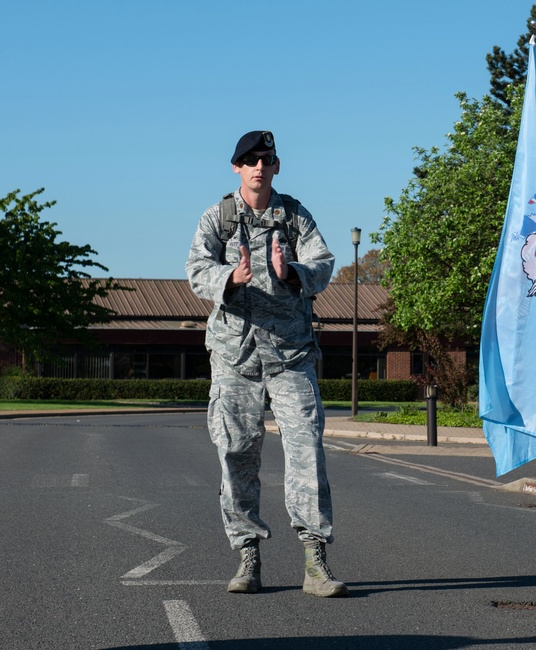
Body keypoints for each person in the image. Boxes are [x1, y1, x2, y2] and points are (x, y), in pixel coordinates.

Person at [186, 130, 347, 598]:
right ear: (236, 167)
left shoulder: (294, 216)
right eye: (250, 160)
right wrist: (228, 278)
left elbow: (324, 262)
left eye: (267, 159)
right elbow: (196, 270)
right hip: (235, 355)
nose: (259, 166)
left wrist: (290, 271)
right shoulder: (217, 218)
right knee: (236, 453)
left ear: (276, 166)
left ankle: (315, 560)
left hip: (291, 354)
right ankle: (247, 555)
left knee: (306, 454)